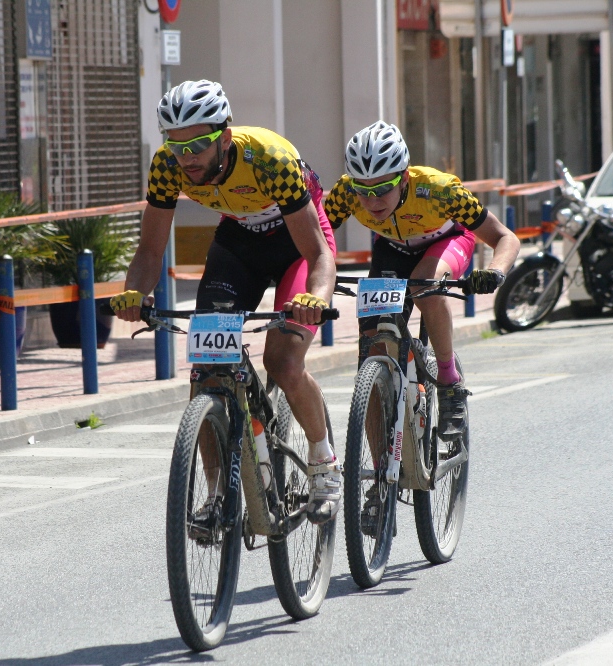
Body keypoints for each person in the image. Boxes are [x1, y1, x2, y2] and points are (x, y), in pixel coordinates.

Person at [110, 80, 341, 524]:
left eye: (198, 145)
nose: (187, 157)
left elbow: (318, 254)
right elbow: (150, 250)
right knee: (207, 364)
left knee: (283, 362)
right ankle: (216, 493)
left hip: (296, 242)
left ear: (226, 138)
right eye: (177, 146)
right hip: (239, 241)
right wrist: (135, 293)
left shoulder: (270, 160)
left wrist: (315, 298)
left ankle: (323, 461)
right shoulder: (167, 166)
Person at [324, 121, 520, 440]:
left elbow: (505, 237)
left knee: (423, 284)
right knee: (372, 352)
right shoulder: (345, 193)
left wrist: (495, 271)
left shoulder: (440, 190)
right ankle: (380, 469)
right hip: (392, 249)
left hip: (446, 241)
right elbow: (317, 243)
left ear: (404, 177)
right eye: (363, 191)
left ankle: (449, 382)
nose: (372, 201)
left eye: (382, 189)